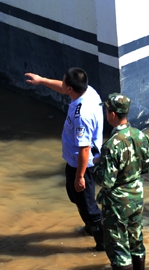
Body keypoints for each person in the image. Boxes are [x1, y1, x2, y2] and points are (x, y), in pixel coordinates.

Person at [24, 67, 105, 250]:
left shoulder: (82, 114)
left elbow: (84, 149)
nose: (62, 85)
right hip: (75, 162)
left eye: (65, 83)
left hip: (82, 164)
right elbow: (62, 87)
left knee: (89, 206)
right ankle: (90, 228)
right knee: (77, 198)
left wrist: (80, 176)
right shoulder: (88, 91)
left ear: (71, 89)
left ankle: (102, 242)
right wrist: (42, 80)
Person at [92, 94, 149, 270]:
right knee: (136, 242)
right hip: (137, 195)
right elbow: (147, 166)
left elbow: (106, 180)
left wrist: (97, 165)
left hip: (117, 202)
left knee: (118, 246)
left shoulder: (111, 144)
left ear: (111, 114)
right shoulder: (141, 135)